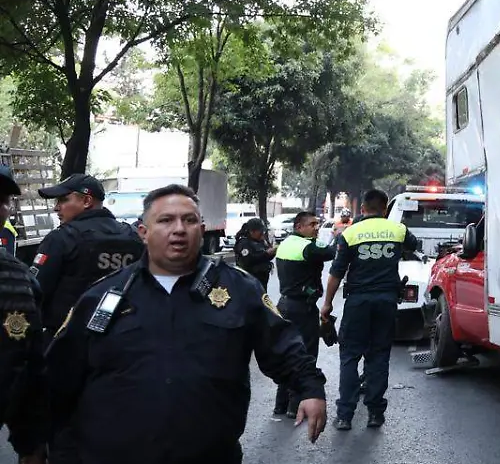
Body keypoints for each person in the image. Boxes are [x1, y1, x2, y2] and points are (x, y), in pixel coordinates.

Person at [46, 184, 327, 464]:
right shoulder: (103, 296)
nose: (179, 229)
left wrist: (310, 389)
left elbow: (282, 344)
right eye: (166, 220)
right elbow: (59, 378)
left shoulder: (240, 290)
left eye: (189, 220)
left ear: (202, 230)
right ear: (143, 233)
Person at [321, 189, 407, 430]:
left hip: (358, 302)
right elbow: (413, 246)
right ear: (385, 208)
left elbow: (336, 273)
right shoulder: (398, 230)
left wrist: (327, 304)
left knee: (350, 356)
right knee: (378, 356)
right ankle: (375, 414)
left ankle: (345, 416)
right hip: (386, 302)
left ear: (362, 209)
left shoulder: (350, 233)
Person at [30, 174, 143, 335]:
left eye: (63, 200)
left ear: (86, 201)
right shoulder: (132, 236)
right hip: (121, 337)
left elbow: (35, 290)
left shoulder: (61, 238)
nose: (56, 207)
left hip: (68, 339)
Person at [0, 165, 48, 464]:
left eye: (3, 200)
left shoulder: (19, 279)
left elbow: (28, 363)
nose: (1, 208)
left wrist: (30, 442)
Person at [273, 211, 336, 418]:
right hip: (302, 309)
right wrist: (337, 235)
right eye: (312, 224)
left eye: (318, 224)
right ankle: (295, 405)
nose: (317, 227)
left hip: (284, 305)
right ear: (299, 227)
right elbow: (331, 252)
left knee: (285, 353)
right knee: (305, 355)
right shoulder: (307, 246)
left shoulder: (286, 243)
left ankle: (280, 404)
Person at [234, 217, 274, 290]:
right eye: (260, 231)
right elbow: (248, 259)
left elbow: (267, 257)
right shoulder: (244, 243)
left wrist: (272, 252)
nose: (262, 233)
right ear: (252, 231)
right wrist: (266, 254)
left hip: (262, 278)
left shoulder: (261, 241)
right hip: (250, 280)